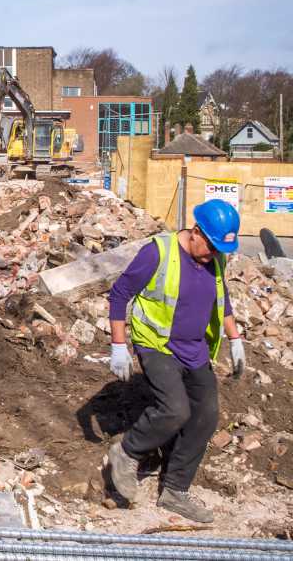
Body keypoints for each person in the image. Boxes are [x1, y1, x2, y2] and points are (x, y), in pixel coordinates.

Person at [106, 199, 246, 523]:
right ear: (195, 232)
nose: (213, 255)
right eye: (210, 246)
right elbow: (119, 294)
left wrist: (236, 339)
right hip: (158, 344)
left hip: (195, 348)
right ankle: (127, 452)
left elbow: (222, 300)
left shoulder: (215, 259)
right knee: (175, 408)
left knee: (207, 414)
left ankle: (174, 489)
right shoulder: (158, 252)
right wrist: (118, 345)